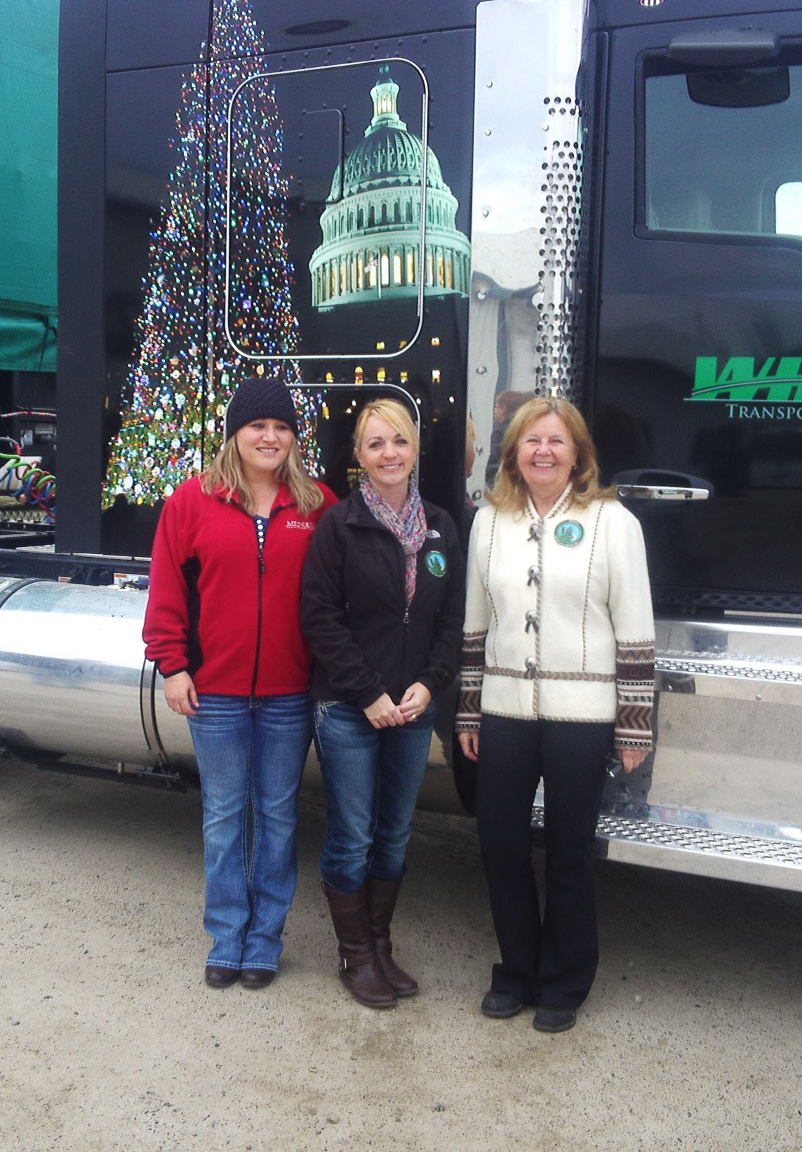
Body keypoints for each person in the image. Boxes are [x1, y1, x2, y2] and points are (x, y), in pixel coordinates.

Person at [456, 396, 655, 1034]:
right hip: (505, 710)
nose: (543, 451)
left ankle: (564, 983)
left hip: (582, 717)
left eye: (557, 442)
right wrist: (468, 714)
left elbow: (635, 627)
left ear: (578, 455)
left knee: (569, 853)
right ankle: (515, 971)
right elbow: (473, 626)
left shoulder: (612, 521)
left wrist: (633, 722)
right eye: (530, 441)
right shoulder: (489, 522)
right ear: (512, 453)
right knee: (500, 845)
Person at [143, 378, 332, 990]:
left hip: (289, 695)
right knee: (224, 815)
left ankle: (264, 941)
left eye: (281, 427)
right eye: (257, 426)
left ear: (293, 439)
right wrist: (172, 666)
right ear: (236, 434)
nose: (270, 437)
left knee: (277, 815)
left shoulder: (317, 506)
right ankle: (227, 937)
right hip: (215, 692)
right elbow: (168, 591)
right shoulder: (191, 503)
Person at [300, 398, 464, 1008]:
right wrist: (368, 693)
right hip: (347, 708)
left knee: (393, 835)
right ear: (359, 457)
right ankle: (354, 955)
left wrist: (430, 683)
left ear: (415, 448)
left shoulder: (443, 526)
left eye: (398, 441)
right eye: (375, 444)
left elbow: (451, 619)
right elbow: (319, 619)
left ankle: (380, 944)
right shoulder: (338, 527)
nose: (388, 453)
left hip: (413, 710)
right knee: (352, 836)